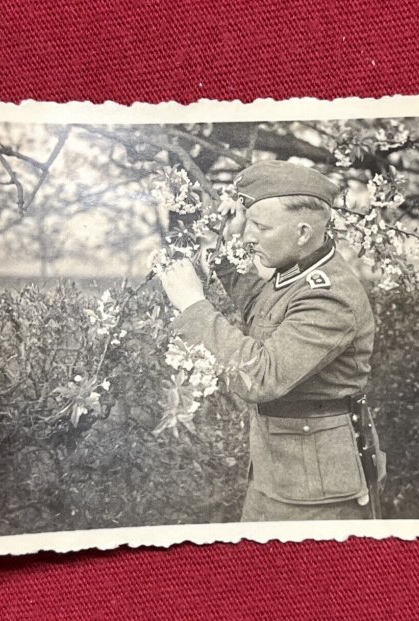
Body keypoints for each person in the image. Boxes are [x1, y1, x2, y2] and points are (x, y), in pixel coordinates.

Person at [158, 159, 385, 522]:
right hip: (279, 474)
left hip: (318, 490)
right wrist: (223, 252)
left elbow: (261, 375)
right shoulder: (298, 272)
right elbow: (262, 307)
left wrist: (192, 304)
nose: (249, 237)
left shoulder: (330, 297)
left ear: (302, 233)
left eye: (261, 227)